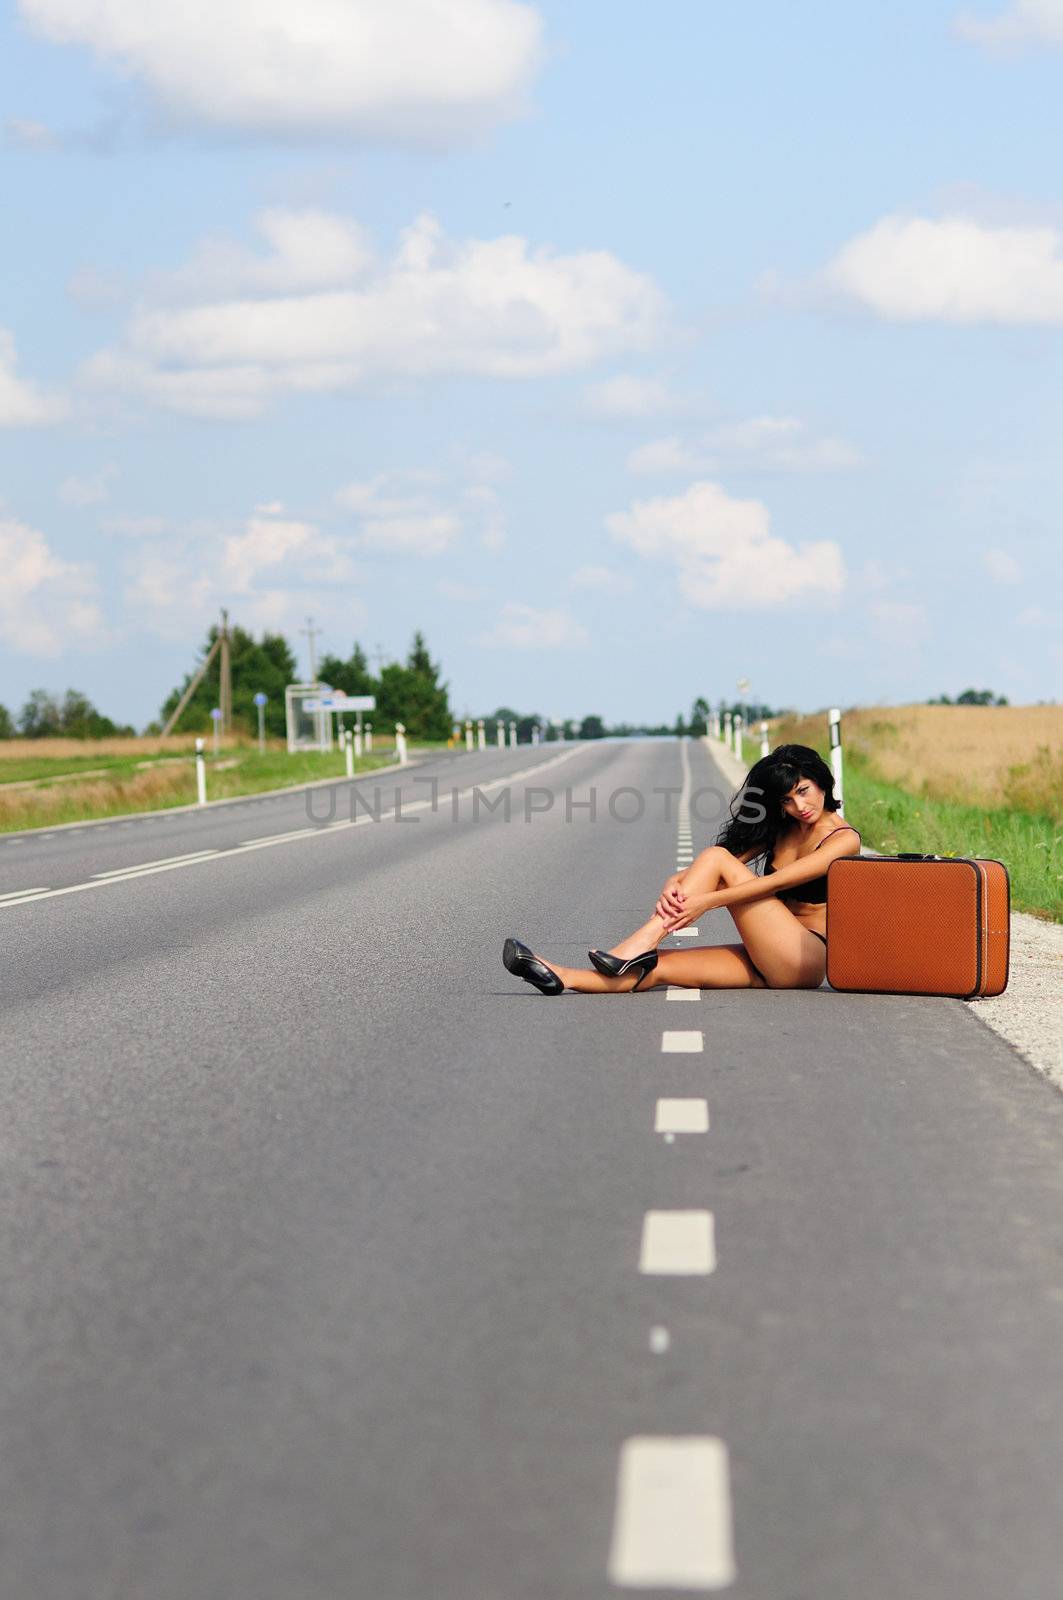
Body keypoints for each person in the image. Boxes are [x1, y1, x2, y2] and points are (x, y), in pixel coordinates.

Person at [502, 743, 861, 995]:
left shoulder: (843, 839)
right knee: (659, 967)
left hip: (805, 957)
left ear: (822, 782)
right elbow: (719, 863)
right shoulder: (783, 828)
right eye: (786, 799)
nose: (799, 805)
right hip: (767, 950)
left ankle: (638, 944)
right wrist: (678, 881)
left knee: (716, 857)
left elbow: (776, 882)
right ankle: (560, 976)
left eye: (803, 790)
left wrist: (706, 902)